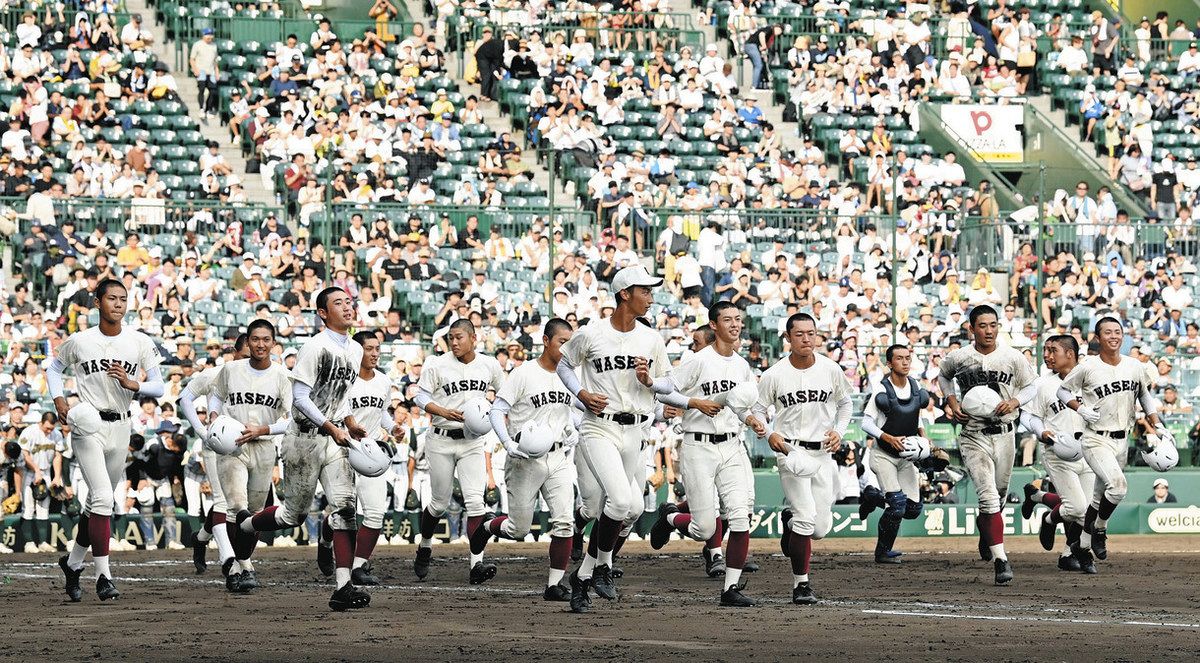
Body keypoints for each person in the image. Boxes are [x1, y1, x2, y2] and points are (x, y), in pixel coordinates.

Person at [234, 287, 369, 612]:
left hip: (334, 437)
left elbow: (343, 393)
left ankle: (342, 586)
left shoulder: (354, 349)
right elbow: (300, 398)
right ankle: (246, 524)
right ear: (322, 313)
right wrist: (332, 427)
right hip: (304, 439)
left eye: (349, 302)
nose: (347, 308)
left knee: (345, 508)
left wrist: (348, 422)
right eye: (338, 303)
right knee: (293, 515)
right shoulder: (314, 347)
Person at [556, 265, 672, 613]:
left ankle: (585, 575)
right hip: (599, 426)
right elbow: (563, 366)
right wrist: (581, 393)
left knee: (635, 507)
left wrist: (650, 381)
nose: (651, 297)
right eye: (645, 291)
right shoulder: (591, 334)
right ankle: (601, 566)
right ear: (625, 294)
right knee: (620, 501)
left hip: (635, 430)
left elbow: (669, 385)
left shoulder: (651, 339)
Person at [51, 278, 165, 602]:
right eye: (111, 298)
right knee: (103, 498)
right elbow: (53, 368)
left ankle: (72, 564)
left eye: (123, 299)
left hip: (121, 426)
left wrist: (134, 384)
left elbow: (159, 387)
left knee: (95, 504)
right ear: (97, 302)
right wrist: (59, 399)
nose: (118, 303)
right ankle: (104, 576)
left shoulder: (139, 341)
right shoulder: (80, 340)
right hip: (88, 423)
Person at [649, 302, 762, 607]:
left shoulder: (741, 365)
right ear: (714, 325)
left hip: (731, 445)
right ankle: (671, 517)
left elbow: (740, 404)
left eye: (738, 319)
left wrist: (751, 419)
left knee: (740, 518)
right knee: (705, 528)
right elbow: (664, 390)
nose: (735, 324)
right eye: (728, 319)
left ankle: (731, 588)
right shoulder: (699, 360)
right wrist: (693, 403)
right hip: (698, 445)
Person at [468, 318, 580, 600]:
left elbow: (574, 408)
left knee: (565, 521)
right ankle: (487, 527)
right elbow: (497, 410)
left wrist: (573, 430)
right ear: (545, 341)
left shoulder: (572, 375)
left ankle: (554, 584)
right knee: (518, 529)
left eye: (571, 343)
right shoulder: (524, 373)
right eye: (561, 342)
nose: (566, 349)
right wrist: (507, 442)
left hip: (557, 458)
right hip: (524, 458)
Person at [753, 312, 853, 605]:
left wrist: (840, 431)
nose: (806, 338)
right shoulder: (774, 374)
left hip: (822, 452)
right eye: (799, 334)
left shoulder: (831, 369)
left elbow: (845, 404)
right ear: (787, 338)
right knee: (806, 519)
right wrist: (769, 432)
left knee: (819, 529)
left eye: (811, 333)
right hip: (792, 452)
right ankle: (801, 585)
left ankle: (789, 522)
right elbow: (758, 410)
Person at [938, 304, 1035, 586]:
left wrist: (1015, 401)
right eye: (983, 325)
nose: (989, 330)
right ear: (972, 329)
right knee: (988, 495)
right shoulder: (960, 357)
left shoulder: (1013, 357)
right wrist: (951, 400)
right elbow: (943, 376)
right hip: (973, 434)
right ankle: (1001, 560)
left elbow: (1032, 386)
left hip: (1005, 433)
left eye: (993, 325)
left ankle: (987, 532)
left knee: (1000, 496)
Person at [1058, 317, 1165, 572]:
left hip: (1121, 439)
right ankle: (1100, 530)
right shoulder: (1088, 366)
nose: (1114, 336)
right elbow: (1063, 391)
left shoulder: (1134, 366)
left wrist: (1157, 423)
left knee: (1098, 499)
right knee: (1117, 488)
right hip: (1095, 438)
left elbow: (1144, 396)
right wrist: (1080, 408)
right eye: (1108, 332)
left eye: (1118, 332)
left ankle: (1082, 547)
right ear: (1098, 337)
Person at [202, 320, 292, 593]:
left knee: (253, 513)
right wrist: (214, 415)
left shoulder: (282, 376)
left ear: (274, 343)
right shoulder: (231, 369)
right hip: (233, 444)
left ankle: (241, 561)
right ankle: (238, 567)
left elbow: (293, 419)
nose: (260, 344)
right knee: (235, 506)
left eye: (266, 339)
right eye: (255, 339)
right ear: (248, 342)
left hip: (264, 446)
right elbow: (216, 396)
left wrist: (264, 429)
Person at [412, 319, 504, 581]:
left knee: (476, 502)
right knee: (439, 503)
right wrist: (441, 410)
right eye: (451, 337)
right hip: (441, 438)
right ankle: (425, 545)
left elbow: (504, 393)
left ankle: (477, 564)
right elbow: (420, 397)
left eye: (459, 337)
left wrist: (492, 413)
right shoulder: (436, 364)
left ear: (473, 338)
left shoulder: (489, 365)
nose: (454, 342)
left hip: (472, 440)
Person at [316, 330, 395, 586]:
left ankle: (360, 565)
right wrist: (348, 427)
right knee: (344, 513)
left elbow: (382, 413)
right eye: (369, 349)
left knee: (374, 514)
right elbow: (334, 411)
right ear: (357, 351)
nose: (374, 353)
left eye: (377, 349)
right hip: (342, 452)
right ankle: (325, 539)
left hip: (371, 454)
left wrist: (394, 428)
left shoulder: (384, 381)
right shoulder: (345, 380)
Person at [1017, 335, 1096, 573]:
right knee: (1078, 509)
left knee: (1089, 509)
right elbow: (1027, 415)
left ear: (1070, 354)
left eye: (1053, 350)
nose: (1048, 355)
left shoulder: (1091, 379)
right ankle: (1078, 547)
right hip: (1057, 453)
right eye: (1046, 350)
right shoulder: (1042, 384)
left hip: (1090, 451)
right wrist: (1041, 431)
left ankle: (1068, 551)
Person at [180, 334, 249, 577]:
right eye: (246, 356)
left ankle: (200, 538)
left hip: (247, 444)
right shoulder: (216, 374)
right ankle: (229, 560)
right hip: (217, 444)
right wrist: (201, 430)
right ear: (235, 353)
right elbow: (185, 398)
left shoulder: (261, 376)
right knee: (223, 501)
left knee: (238, 501)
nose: (250, 360)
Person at [858, 344, 929, 564]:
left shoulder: (916, 387)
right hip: (883, 454)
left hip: (905, 458)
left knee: (913, 510)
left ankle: (871, 496)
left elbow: (914, 417)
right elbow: (866, 423)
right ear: (889, 363)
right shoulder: (881, 390)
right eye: (899, 359)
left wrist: (925, 441)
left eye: (908, 358)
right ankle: (882, 551)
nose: (905, 362)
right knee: (897, 504)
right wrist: (887, 438)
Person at [18, 412, 60, 553]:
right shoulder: (29, 432)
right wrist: (36, 469)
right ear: (41, 422)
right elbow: (24, 454)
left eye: (51, 428)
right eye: (47, 428)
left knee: (43, 508)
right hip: (29, 472)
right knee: (28, 508)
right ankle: (29, 543)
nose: (49, 431)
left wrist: (57, 476)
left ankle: (42, 542)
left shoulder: (56, 434)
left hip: (46, 472)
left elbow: (57, 456)